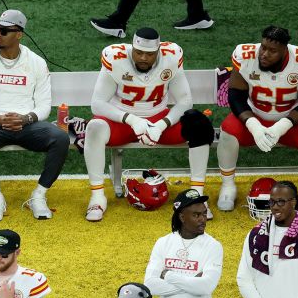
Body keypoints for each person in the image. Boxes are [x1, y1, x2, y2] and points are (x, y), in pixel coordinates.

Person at [84, 28, 213, 221]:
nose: (143, 57)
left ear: (159, 51)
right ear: (132, 48)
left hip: (158, 119)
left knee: (199, 124)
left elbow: (185, 101)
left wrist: (161, 125)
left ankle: (196, 197)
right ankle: (97, 196)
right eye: (139, 52)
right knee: (94, 127)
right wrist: (132, 120)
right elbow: (98, 103)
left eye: (150, 54)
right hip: (123, 120)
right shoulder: (115, 57)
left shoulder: (171, 57)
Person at [0, 9, 68, 221]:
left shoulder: (36, 62)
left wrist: (26, 118)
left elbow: (44, 106)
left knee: (61, 138)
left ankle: (38, 196)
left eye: (4, 30)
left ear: (19, 34)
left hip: (27, 123)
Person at [217, 27, 298, 213]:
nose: (264, 54)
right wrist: (253, 125)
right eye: (263, 48)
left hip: (290, 121)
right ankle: (227, 185)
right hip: (255, 116)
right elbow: (235, 97)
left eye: (272, 51)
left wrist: (282, 126)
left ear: (285, 50)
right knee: (228, 129)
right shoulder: (246, 56)